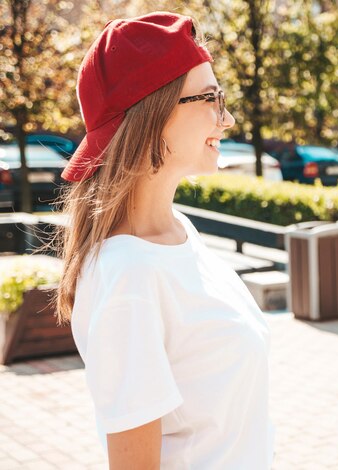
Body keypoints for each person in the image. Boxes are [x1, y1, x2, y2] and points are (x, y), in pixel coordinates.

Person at [53, 11, 275, 469]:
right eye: (211, 98)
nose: (227, 117)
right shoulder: (129, 279)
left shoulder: (178, 233)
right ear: (152, 113)